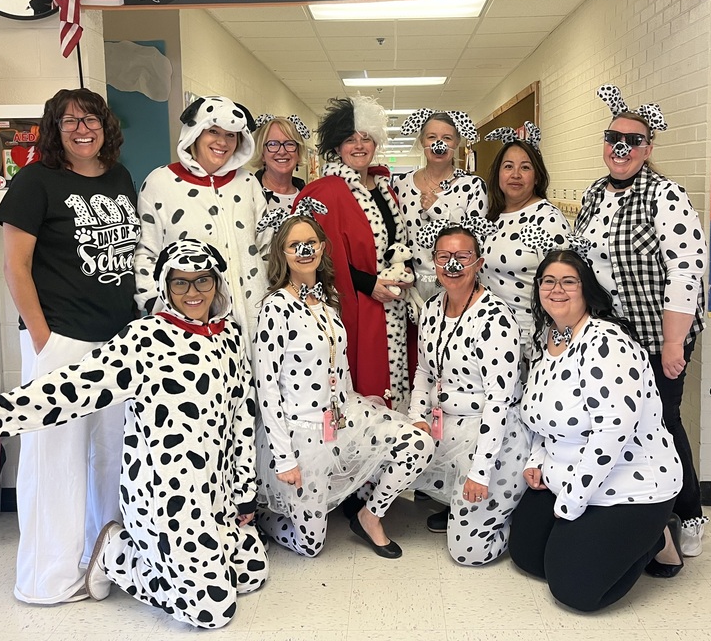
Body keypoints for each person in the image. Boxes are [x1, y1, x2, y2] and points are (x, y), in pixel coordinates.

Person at [0, 240, 267, 628]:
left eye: (202, 281)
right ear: (164, 285)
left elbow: (243, 419)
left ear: (217, 282)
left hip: (218, 493)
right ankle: (117, 554)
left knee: (251, 573)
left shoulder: (230, 336)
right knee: (212, 611)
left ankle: (164, 560)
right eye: (180, 283)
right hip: (168, 497)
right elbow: (66, 389)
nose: (193, 293)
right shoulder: (145, 339)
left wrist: (244, 494)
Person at [0, 87, 140, 604]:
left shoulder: (120, 178)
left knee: (110, 459)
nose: (83, 129)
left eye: (92, 119)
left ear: (106, 126)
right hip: (61, 340)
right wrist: (43, 339)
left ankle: (103, 562)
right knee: (54, 462)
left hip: (118, 341)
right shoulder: (35, 182)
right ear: (54, 128)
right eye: (70, 121)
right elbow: (15, 267)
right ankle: (47, 581)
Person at [508, 249, 683, 612]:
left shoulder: (606, 342)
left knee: (574, 590)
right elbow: (539, 416)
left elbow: (611, 434)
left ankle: (658, 536)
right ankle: (599, 538)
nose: (557, 289)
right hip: (569, 476)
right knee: (526, 556)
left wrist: (571, 502)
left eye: (568, 281)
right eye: (548, 281)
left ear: (586, 288)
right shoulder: (549, 339)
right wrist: (538, 459)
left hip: (627, 481)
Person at [574, 85, 707, 555]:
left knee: (662, 423)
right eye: (614, 138)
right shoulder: (594, 193)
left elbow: (686, 268)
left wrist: (674, 342)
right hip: (610, 339)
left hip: (656, 334)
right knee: (616, 422)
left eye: (633, 140)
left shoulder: (664, 195)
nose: (622, 148)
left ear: (648, 149)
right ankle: (629, 508)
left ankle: (687, 511)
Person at [254, 215, 433, 559]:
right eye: (295, 245)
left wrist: (359, 401)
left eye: (311, 243)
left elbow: (338, 364)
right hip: (302, 433)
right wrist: (284, 458)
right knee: (310, 545)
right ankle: (263, 519)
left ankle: (370, 516)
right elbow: (268, 387)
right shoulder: (276, 308)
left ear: (322, 248)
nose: (305, 250)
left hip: (343, 416)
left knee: (418, 443)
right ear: (283, 253)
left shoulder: (328, 299)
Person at [408, 225, 528, 565]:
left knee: (467, 553)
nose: (453, 265)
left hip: (490, 438)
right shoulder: (432, 309)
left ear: (478, 263)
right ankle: (462, 510)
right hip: (447, 426)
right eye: (444, 257)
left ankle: (518, 521)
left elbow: (498, 403)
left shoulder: (495, 318)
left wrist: (480, 472)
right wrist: (417, 418)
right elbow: (423, 373)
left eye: (463, 257)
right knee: (393, 450)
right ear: (434, 262)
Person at [293, 96, 410, 408]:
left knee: (398, 386)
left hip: (394, 304)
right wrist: (370, 284)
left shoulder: (384, 188)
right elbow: (321, 259)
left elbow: (395, 243)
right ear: (336, 146)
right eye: (349, 139)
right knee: (366, 391)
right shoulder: (324, 192)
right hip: (358, 305)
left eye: (366, 138)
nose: (359, 145)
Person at [135, 95, 269, 340]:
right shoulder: (160, 182)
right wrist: (154, 302)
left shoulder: (248, 183)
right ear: (195, 132)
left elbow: (266, 245)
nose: (222, 142)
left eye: (231, 135)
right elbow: (145, 252)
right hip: (188, 324)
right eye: (214, 131)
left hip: (254, 320)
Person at [480, 124, 571, 364]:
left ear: (537, 175)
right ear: (498, 174)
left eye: (525, 167)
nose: (516, 175)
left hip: (532, 342)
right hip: (493, 337)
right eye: (508, 166)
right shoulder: (493, 217)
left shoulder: (548, 219)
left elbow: (565, 287)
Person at [391, 109, 487, 303]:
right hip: (411, 289)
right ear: (422, 142)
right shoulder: (400, 185)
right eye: (432, 137)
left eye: (447, 138)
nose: (439, 144)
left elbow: (476, 240)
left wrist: (439, 210)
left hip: (457, 286)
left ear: (457, 142)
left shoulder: (472, 186)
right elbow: (395, 236)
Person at [251, 114, 308, 217]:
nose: (282, 151)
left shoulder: (308, 197)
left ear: (299, 153)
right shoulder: (248, 193)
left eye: (289, 144)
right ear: (262, 153)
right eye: (272, 144)